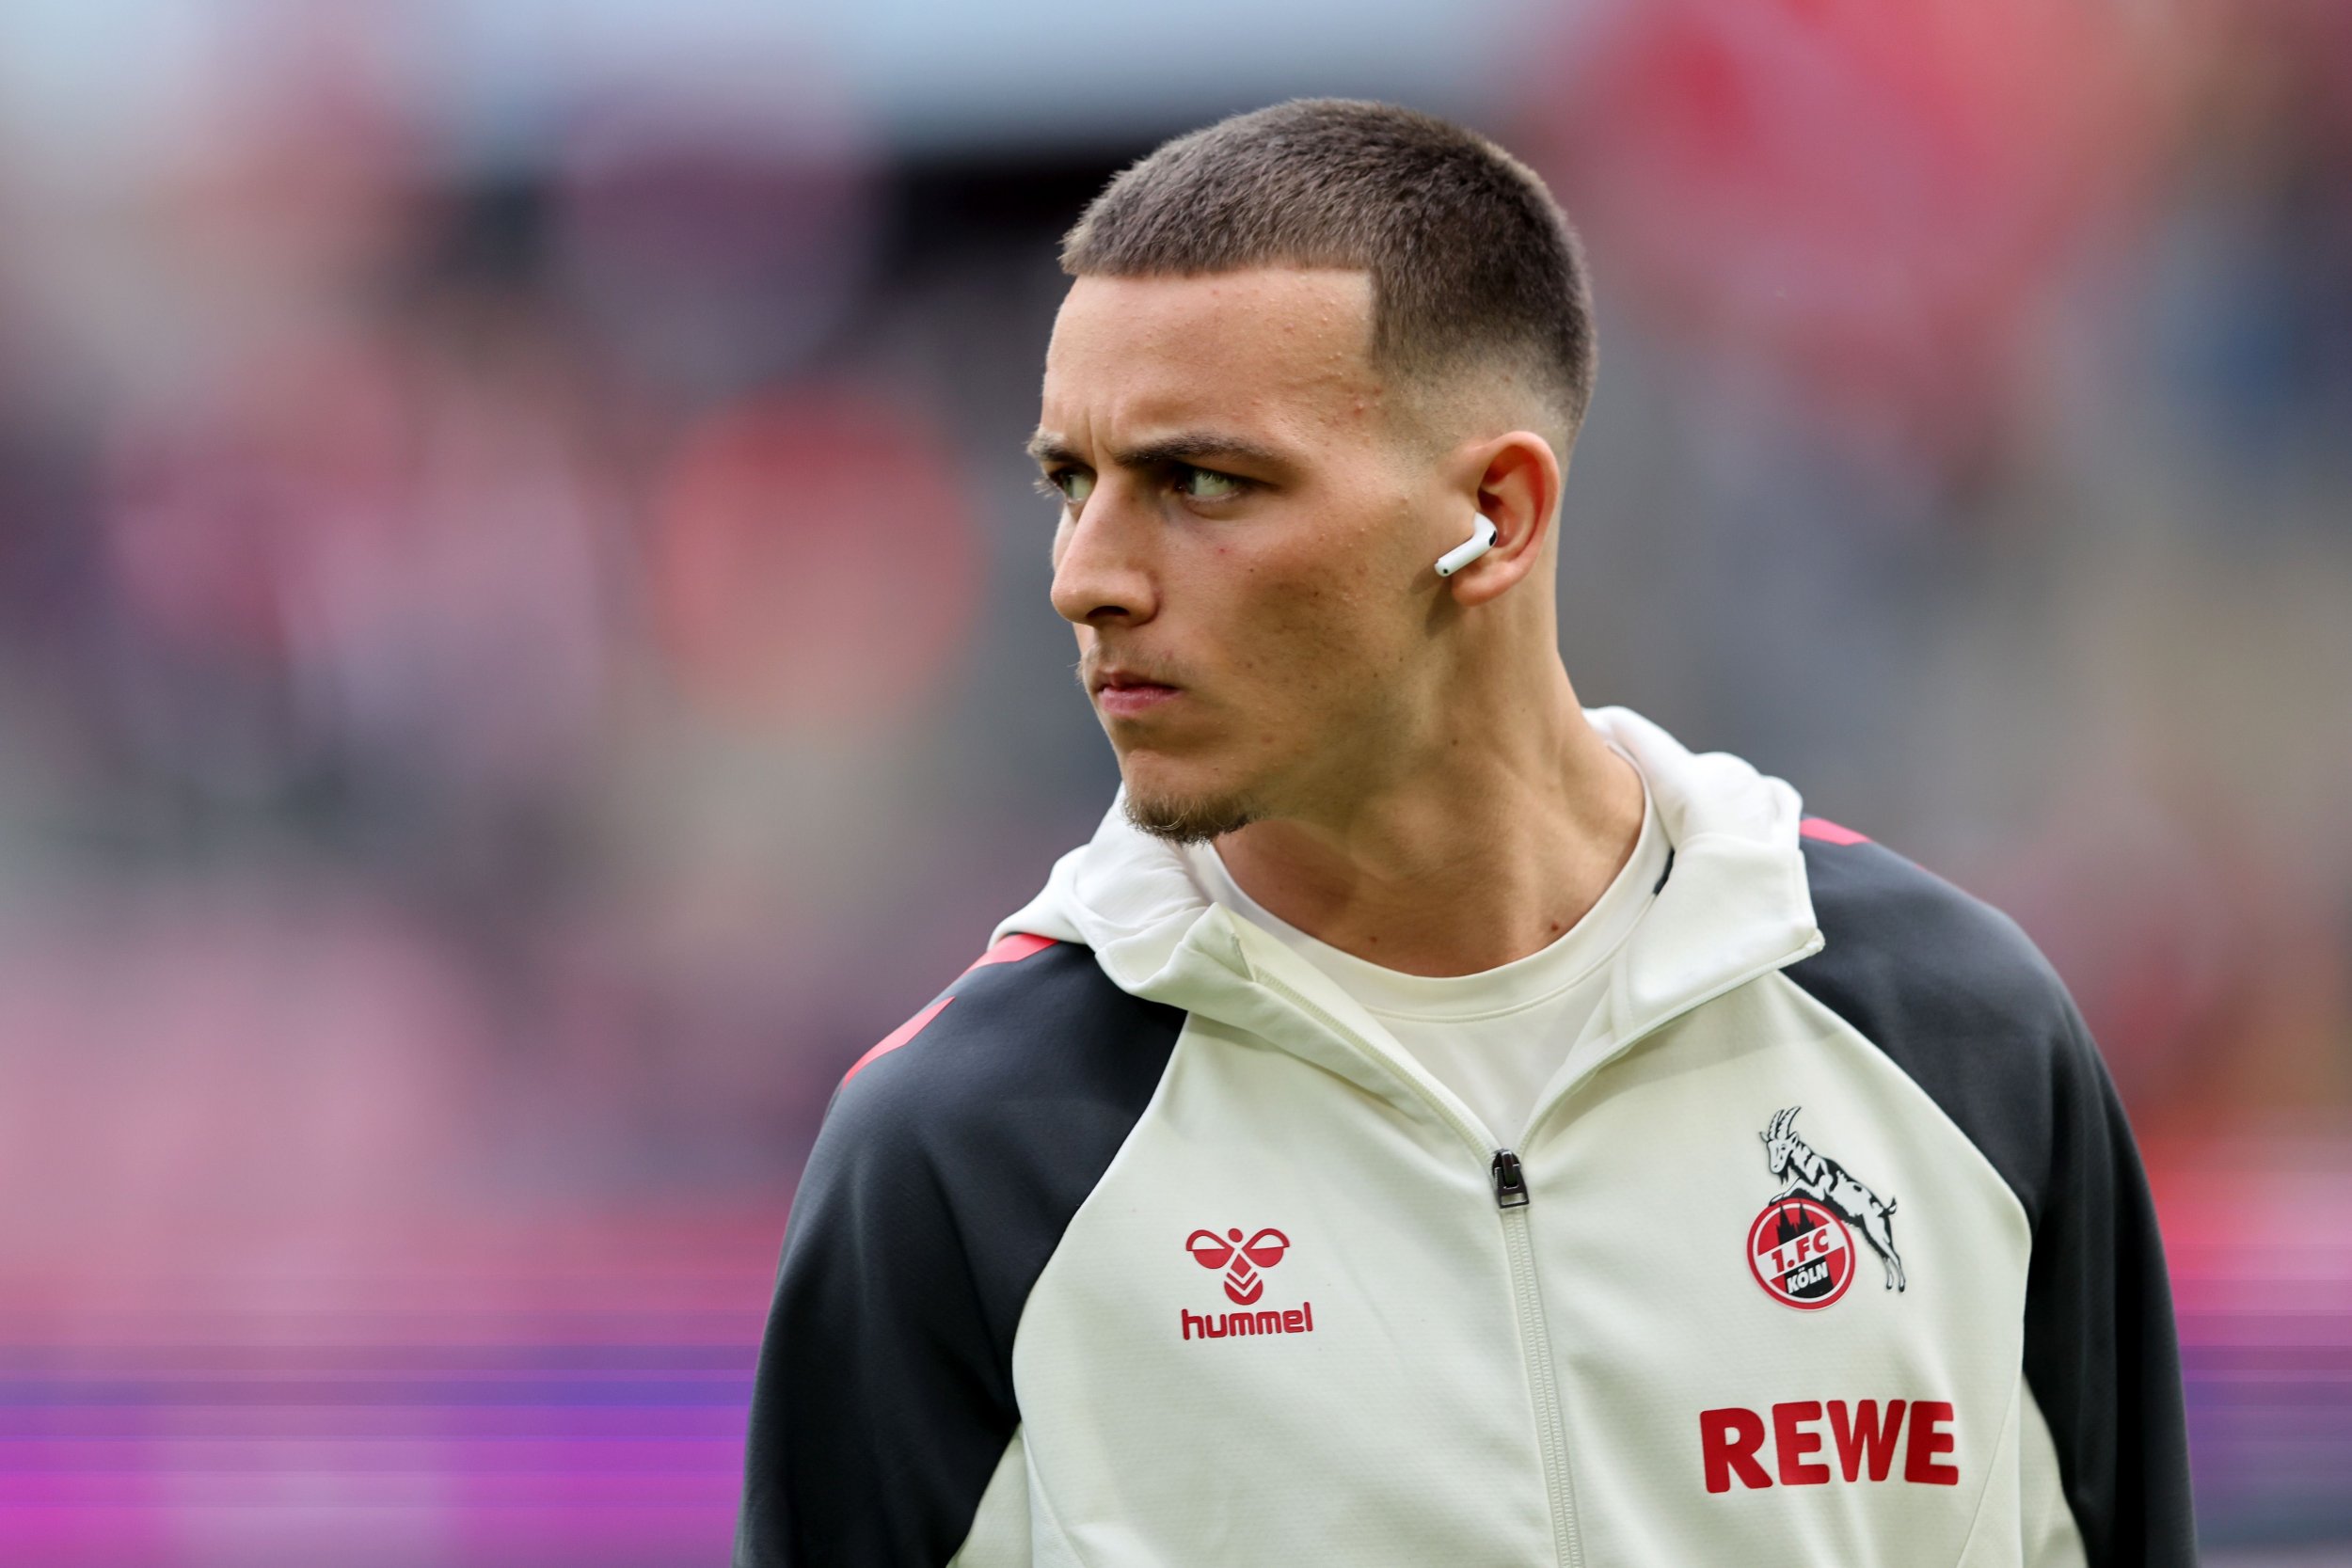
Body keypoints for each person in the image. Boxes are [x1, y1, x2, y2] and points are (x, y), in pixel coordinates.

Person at [735, 99, 2195, 1568]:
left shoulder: (1959, 1038)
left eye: (1201, 482)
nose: (1086, 577)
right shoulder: (960, 1148)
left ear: (1497, 515)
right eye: (1073, 482)